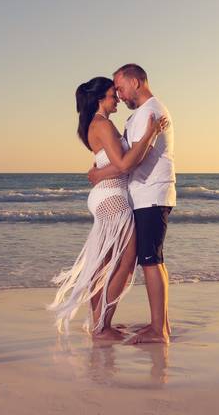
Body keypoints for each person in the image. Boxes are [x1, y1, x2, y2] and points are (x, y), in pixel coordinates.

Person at [48, 76, 168, 340]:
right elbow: (125, 164)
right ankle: (102, 325)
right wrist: (151, 133)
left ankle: (100, 325)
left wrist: (100, 173)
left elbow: (116, 163)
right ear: (101, 98)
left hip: (107, 195)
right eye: (114, 95)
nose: (118, 99)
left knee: (103, 265)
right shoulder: (102, 124)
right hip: (113, 197)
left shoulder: (97, 125)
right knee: (125, 265)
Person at [89, 64, 175, 344]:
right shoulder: (139, 115)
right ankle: (160, 325)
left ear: (136, 82)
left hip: (151, 195)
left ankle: (158, 329)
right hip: (142, 195)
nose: (119, 94)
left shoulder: (150, 111)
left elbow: (130, 162)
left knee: (151, 261)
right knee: (150, 260)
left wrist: (98, 174)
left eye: (121, 86)